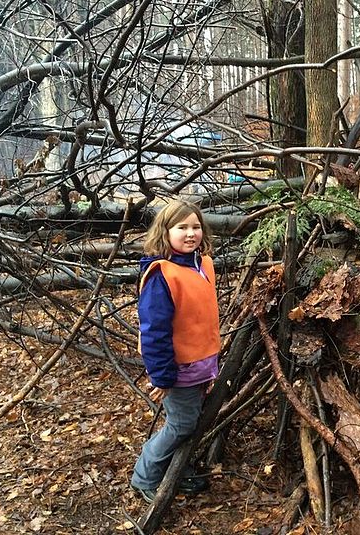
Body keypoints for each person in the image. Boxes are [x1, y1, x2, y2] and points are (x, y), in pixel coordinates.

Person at [130, 200, 221, 503]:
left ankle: (175, 468)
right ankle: (145, 475)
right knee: (181, 423)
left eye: (195, 226)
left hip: (201, 363)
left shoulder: (202, 264)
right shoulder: (161, 275)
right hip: (178, 367)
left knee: (189, 420)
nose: (190, 233)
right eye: (181, 227)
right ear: (165, 232)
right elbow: (154, 331)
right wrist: (162, 376)